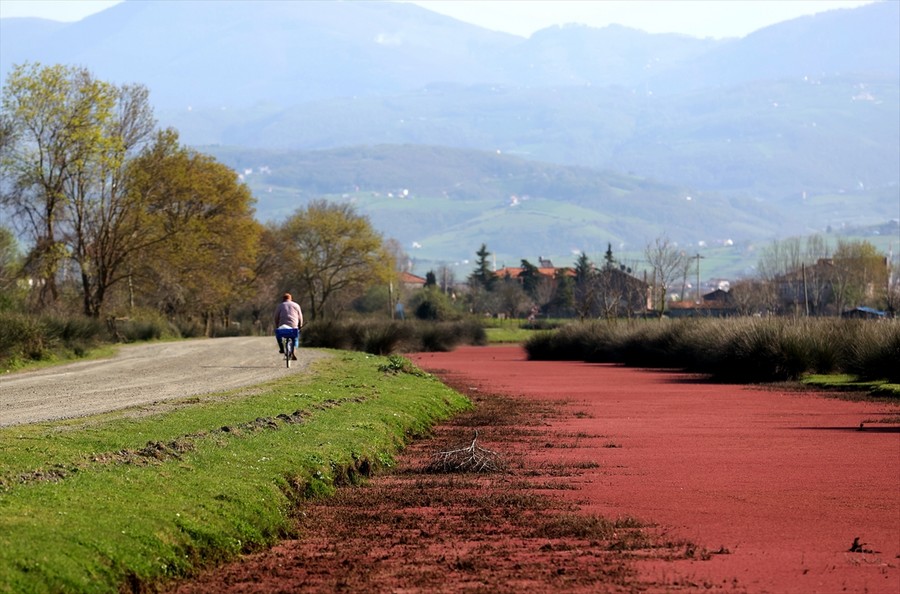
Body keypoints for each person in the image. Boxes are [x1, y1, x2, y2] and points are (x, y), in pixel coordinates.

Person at [274, 292, 303, 360]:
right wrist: (300, 325)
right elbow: (300, 317)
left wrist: (277, 325)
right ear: (291, 299)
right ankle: (293, 350)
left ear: (283, 299)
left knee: (278, 336)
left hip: (282, 327)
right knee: (294, 338)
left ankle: (281, 349)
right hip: (293, 327)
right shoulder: (296, 305)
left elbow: (276, 317)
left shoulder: (280, 306)